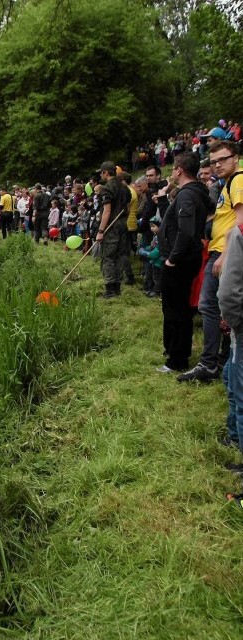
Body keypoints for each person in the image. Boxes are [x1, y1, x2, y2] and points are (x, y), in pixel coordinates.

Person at [179, 139, 243, 383]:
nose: (217, 165)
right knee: (215, 308)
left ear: (235, 157)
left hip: (225, 255)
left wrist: (225, 255)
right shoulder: (228, 183)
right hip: (220, 252)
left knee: (211, 307)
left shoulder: (238, 180)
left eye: (223, 159)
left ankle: (211, 363)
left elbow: (241, 223)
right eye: (214, 161)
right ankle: (222, 360)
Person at [156, 152, 212, 373]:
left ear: (179, 170)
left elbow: (186, 231)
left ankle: (177, 359)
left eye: (173, 169)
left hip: (180, 262)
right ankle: (172, 349)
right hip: (183, 259)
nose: (171, 172)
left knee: (176, 309)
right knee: (173, 307)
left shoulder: (188, 196)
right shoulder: (192, 193)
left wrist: (172, 258)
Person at [218, 211, 243, 462]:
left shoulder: (239, 234)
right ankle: (234, 434)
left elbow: (228, 292)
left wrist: (232, 321)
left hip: (241, 325)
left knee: (239, 386)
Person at [96, 161, 131, 298]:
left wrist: (100, 231)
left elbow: (107, 211)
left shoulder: (107, 188)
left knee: (108, 257)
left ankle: (110, 290)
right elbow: (127, 210)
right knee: (120, 256)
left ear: (106, 172)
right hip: (123, 224)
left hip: (111, 226)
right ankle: (117, 288)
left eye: (101, 172)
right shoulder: (125, 188)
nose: (100, 174)